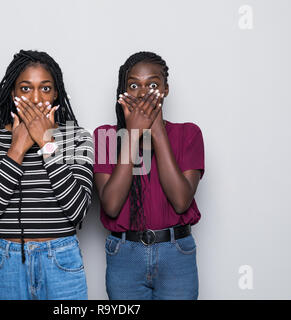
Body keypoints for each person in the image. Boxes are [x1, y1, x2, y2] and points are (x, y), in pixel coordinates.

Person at [0, 49, 93, 300]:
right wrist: (16, 148)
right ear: (13, 93)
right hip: (9, 261)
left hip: (61, 259)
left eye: (45, 88)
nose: (36, 98)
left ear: (56, 92)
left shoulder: (78, 138)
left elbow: (78, 210)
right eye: (26, 88)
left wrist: (46, 143)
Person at [93, 51, 205, 300]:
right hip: (125, 255)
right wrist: (133, 135)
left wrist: (157, 131)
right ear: (123, 92)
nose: (143, 93)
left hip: (176, 254)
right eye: (134, 85)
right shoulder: (106, 136)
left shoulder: (189, 134)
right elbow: (111, 205)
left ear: (165, 89)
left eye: (153, 84)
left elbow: (180, 200)